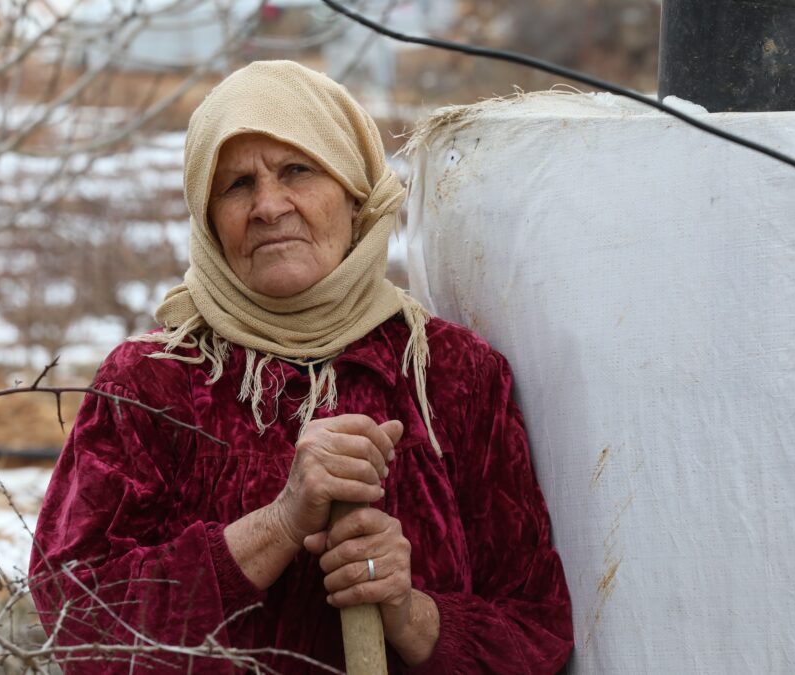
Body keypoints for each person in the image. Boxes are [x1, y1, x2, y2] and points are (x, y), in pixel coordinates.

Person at [29, 60, 573, 673]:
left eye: (297, 170)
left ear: (354, 191)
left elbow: (536, 634)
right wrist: (279, 524)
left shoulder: (451, 376)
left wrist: (408, 610)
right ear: (209, 223)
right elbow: (75, 618)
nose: (268, 205)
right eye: (236, 185)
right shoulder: (152, 381)